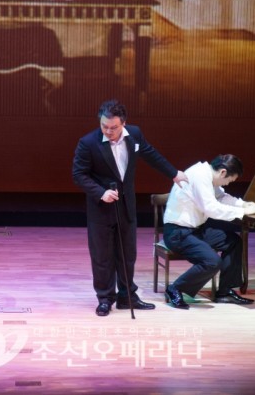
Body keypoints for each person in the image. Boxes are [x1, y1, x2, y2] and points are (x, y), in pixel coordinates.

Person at [72, 99, 188, 316]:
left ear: (123, 123)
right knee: (102, 256)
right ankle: (105, 298)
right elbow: (79, 175)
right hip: (101, 208)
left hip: (126, 206)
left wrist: (174, 173)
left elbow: (151, 154)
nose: (108, 131)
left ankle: (127, 297)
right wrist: (101, 192)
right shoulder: (88, 143)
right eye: (104, 126)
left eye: (113, 127)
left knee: (127, 254)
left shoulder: (134, 134)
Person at [162, 154, 255, 309]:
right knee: (212, 262)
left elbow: (220, 197)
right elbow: (211, 209)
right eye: (229, 180)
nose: (228, 183)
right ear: (223, 172)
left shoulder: (208, 175)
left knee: (234, 242)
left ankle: (224, 292)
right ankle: (175, 288)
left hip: (196, 230)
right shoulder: (200, 175)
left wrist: (243, 204)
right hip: (177, 233)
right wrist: (242, 212)